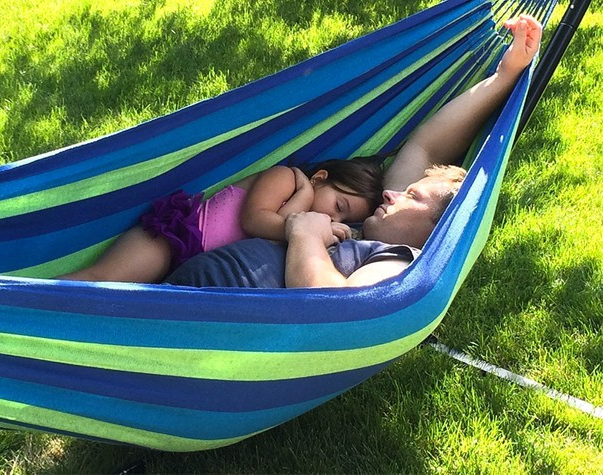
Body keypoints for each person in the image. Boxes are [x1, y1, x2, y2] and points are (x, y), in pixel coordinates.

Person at [164, 14, 542, 289]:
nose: (392, 193)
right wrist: (505, 76)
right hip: (174, 298)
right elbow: (426, 145)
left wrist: (306, 233)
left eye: (412, 196)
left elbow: (330, 309)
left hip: (197, 324)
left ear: (439, 230)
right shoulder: (364, 226)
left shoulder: (400, 263)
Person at [61, 157, 383, 282]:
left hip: (190, 272)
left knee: (121, 307)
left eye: (344, 217)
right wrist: (304, 197)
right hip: (174, 238)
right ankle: (36, 303)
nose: (332, 216)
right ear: (320, 177)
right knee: (103, 279)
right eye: (339, 204)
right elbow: (254, 220)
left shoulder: (303, 228)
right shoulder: (286, 178)